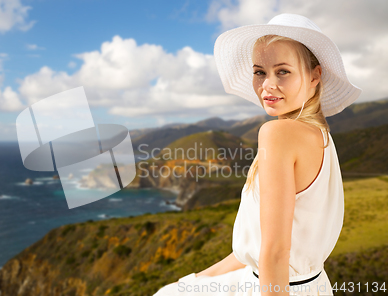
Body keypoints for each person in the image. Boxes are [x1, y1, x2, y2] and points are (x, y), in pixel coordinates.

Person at [152, 13, 361, 296]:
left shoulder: (278, 134)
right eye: (260, 72)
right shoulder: (321, 137)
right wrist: (193, 281)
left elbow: (275, 253)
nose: (267, 85)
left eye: (283, 71)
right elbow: (254, 250)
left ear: (315, 75)